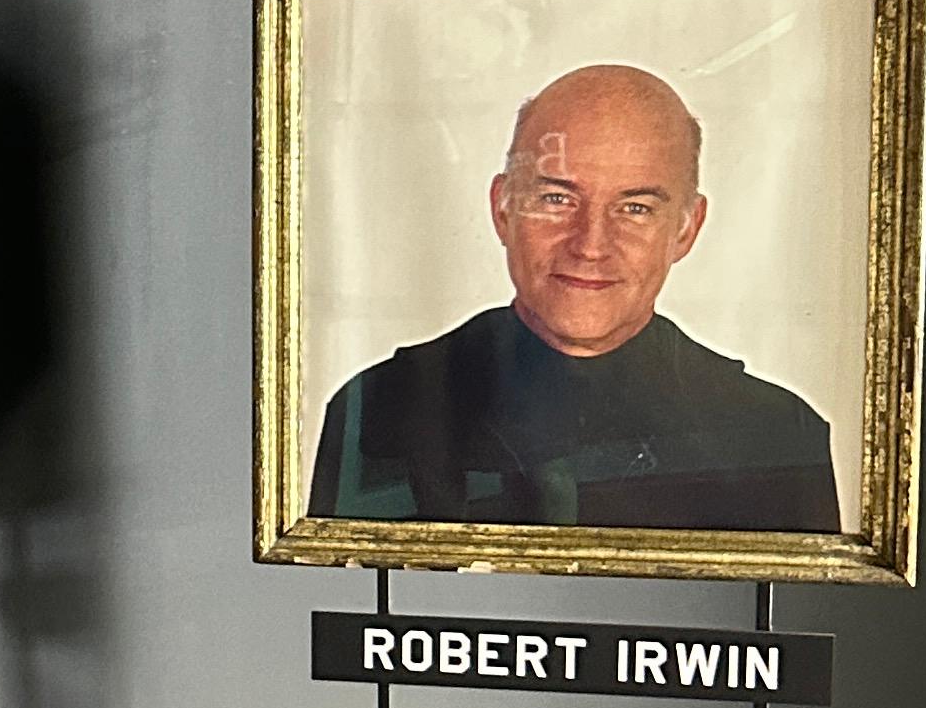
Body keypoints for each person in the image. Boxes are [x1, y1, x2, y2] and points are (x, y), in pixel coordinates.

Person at [307, 61, 839, 532]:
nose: (590, 245)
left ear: (686, 228)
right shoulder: (380, 408)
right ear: (503, 208)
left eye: (635, 208)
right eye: (557, 199)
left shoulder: (776, 436)